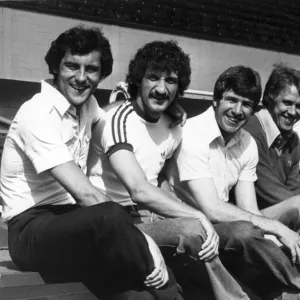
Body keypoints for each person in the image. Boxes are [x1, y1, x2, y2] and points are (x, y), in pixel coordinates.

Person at [0, 25, 182, 300]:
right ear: (55, 68)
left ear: (102, 74)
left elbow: (111, 114)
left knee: (135, 292)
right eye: (72, 66)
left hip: (71, 224)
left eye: (92, 70)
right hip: (30, 231)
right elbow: (86, 195)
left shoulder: (87, 106)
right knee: (112, 215)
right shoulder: (36, 113)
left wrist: (166, 108)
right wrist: (146, 243)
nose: (81, 78)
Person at [87, 40, 251, 300]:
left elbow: (168, 182)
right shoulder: (118, 120)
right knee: (194, 231)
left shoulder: (173, 126)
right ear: (139, 80)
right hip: (114, 222)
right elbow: (139, 190)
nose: (161, 89)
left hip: (152, 219)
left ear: (179, 86)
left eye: (171, 81)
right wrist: (198, 217)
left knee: (211, 240)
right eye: (153, 78)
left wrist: (191, 215)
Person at [166, 65, 300, 299]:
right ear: (216, 100)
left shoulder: (246, 142)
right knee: (244, 230)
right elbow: (212, 208)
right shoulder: (193, 133)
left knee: (250, 229)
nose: (238, 110)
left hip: (219, 229)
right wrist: (278, 228)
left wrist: (277, 233)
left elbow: (249, 209)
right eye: (231, 100)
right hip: (186, 226)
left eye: (246, 104)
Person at [244, 64, 300, 233]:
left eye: (299, 106)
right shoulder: (251, 130)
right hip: (246, 217)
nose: (293, 112)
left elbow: (294, 190)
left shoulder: (293, 140)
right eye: (287, 103)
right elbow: (266, 190)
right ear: (271, 97)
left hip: (279, 213)